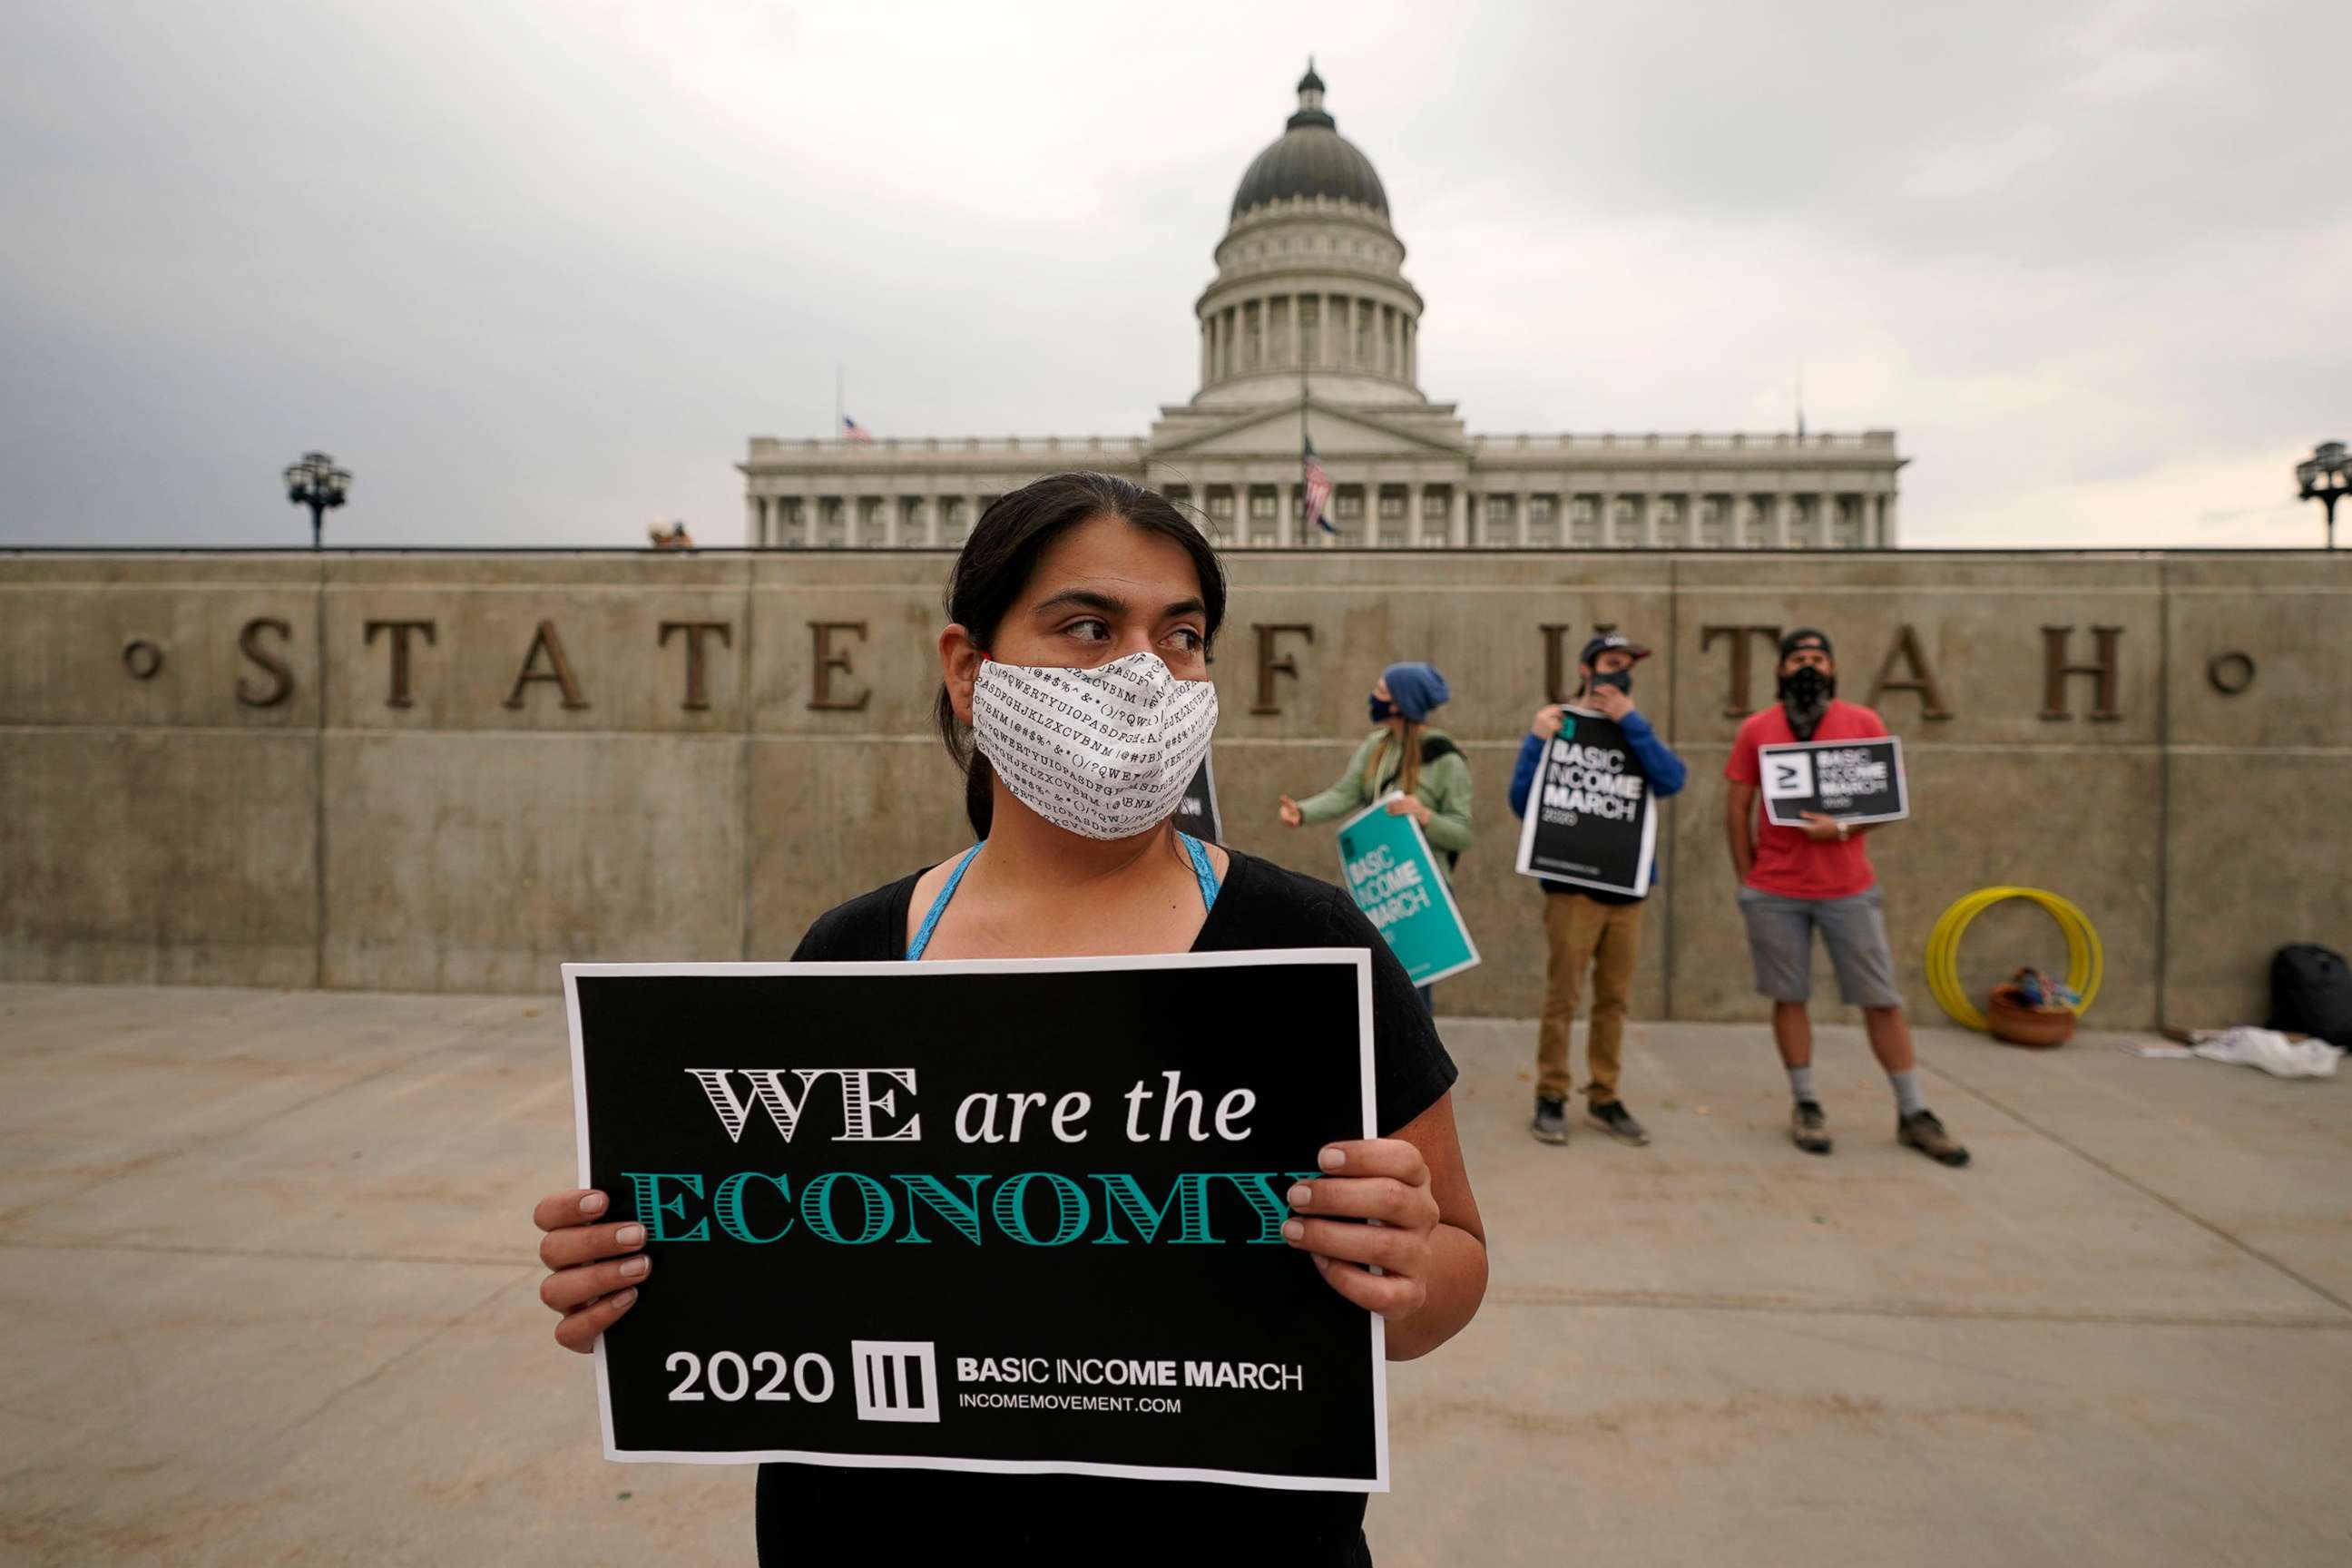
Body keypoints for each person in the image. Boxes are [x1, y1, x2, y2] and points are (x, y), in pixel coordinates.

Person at [532, 472, 1488, 1567]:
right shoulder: (851, 955)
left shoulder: (1312, 948)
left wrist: (1409, 1277)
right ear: (967, 667)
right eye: (1088, 627)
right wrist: (632, 1272)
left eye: (1181, 636)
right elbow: (760, 1270)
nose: (1144, 672)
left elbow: (1454, 1264)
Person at [1723, 628, 1969, 1166]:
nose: (1807, 666)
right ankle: (1806, 1102)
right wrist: (1750, 879)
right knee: (1789, 997)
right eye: (1797, 659)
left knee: (1882, 1000)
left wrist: (1837, 830)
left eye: (1817, 657)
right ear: (1781, 669)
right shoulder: (1757, 728)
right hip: (1776, 891)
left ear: (1832, 668)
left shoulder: (1863, 723)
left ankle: (1913, 1111)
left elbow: (1885, 802)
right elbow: (1736, 807)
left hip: (1848, 889)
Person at [1506, 633, 1687, 1147]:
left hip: (1628, 892)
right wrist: (1535, 742)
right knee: (1562, 996)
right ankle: (1551, 1095)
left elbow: (1672, 780)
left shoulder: (1635, 729)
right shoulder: (1559, 724)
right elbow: (1524, 803)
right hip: (1573, 890)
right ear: (1587, 670)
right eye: (1612, 663)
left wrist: (1631, 720)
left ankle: (1605, 1096)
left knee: (1615, 999)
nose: (1621, 673)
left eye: (1628, 665)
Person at [1277, 662, 1475, 1010]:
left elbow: (1462, 833)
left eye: (1382, 690)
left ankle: (1415, 1062)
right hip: (1379, 885)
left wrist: (1425, 815)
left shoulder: (1445, 759)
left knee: (1413, 989)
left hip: (1422, 890)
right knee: (1375, 983)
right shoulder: (1375, 747)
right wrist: (1303, 811)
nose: (1375, 696)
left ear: (1401, 702)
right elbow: (1345, 794)